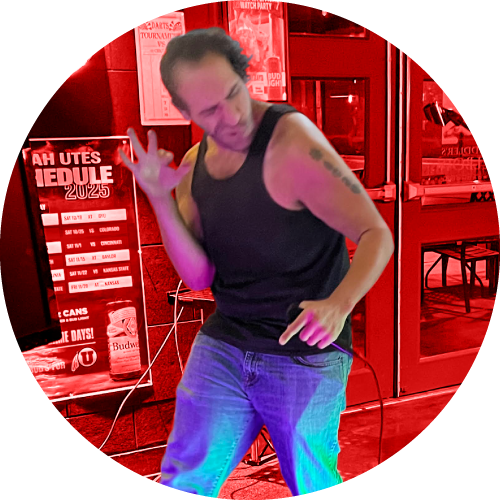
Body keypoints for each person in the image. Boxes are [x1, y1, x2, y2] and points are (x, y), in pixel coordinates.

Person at [119, 27, 394, 497]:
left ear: (244, 77)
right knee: (185, 479)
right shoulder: (195, 163)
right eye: (209, 109)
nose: (231, 115)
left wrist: (339, 303)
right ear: (185, 112)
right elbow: (198, 275)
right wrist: (160, 199)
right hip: (228, 340)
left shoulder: (292, 141)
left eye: (234, 93)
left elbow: (376, 234)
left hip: (303, 349)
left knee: (312, 486)